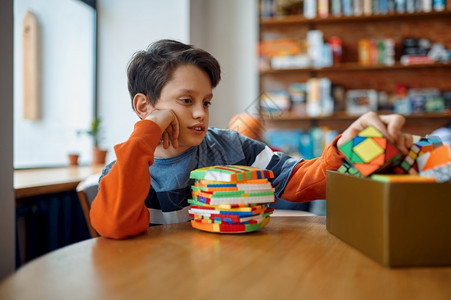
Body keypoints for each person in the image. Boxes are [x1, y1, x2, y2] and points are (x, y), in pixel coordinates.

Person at [90, 39, 412, 239]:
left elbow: (300, 179)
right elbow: (115, 224)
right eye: (186, 101)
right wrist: (149, 129)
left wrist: (349, 148)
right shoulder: (125, 167)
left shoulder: (233, 146)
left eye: (207, 101)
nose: (201, 113)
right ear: (144, 106)